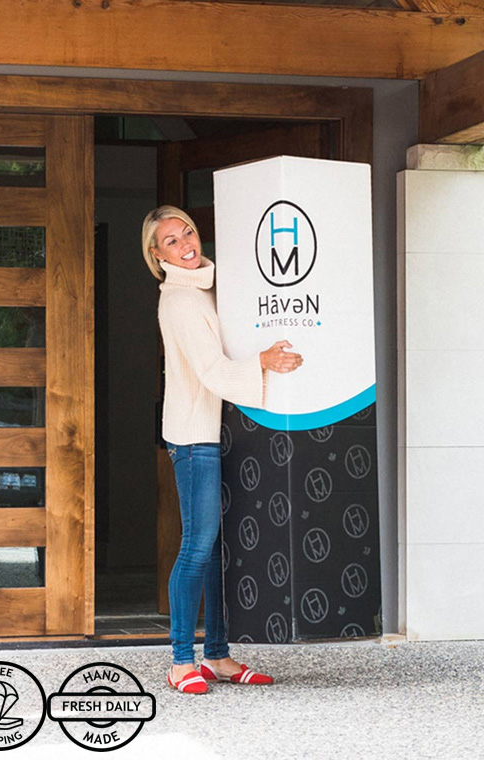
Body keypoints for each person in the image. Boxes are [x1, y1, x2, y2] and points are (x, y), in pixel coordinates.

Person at [143, 205, 302, 695]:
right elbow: (212, 369)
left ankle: (217, 655)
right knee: (195, 549)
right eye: (171, 240)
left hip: (221, 431)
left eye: (187, 231)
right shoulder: (179, 302)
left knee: (214, 552)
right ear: (156, 254)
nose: (186, 243)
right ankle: (179, 660)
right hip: (194, 437)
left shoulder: (208, 289)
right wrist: (264, 361)